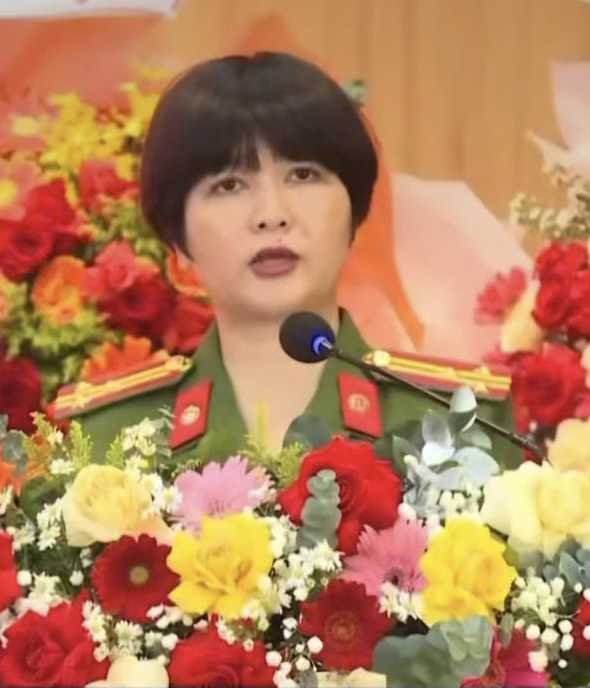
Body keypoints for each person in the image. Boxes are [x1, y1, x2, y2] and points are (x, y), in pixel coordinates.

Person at [50, 51, 522, 469]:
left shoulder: (458, 422)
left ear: (354, 213)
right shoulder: (107, 440)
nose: (272, 215)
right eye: (229, 185)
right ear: (178, 239)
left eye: (303, 175)